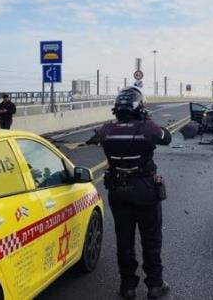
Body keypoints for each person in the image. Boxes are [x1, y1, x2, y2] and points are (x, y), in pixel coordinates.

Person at [87, 87, 171, 299]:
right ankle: (154, 286)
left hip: (119, 192)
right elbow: (166, 137)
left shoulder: (106, 129)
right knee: (151, 240)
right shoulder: (148, 128)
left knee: (124, 241)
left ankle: (128, 287)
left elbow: (94, 138)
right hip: (145, 191)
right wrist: (147, 119)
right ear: (139, 107)